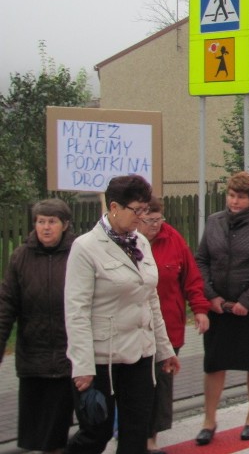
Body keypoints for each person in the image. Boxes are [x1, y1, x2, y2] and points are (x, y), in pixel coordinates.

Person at [65, 174, 179, 454]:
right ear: (114, 207)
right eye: (136, 211)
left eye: (144, 210)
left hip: (140, 353)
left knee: (136, 432)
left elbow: (151, 299)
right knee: (96, 433)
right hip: (103, 357)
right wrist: (82, 366)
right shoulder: (86, 248)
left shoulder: (139, 243)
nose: (141, 218)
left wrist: (165, 350)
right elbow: (76, 310)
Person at [194, 171, 249, 444]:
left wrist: (247, 301)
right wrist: (211, 296)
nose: (234, 201)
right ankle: (209, 420)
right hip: (218, 307)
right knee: (214, 363)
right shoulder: (214, 222)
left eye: (241, 197)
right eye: (231, 195)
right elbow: (201, 260)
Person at [0, 198, 76, 454]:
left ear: (64, 225)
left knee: (57, 433)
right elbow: (7, 304)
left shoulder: (77, 254)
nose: (45, 227)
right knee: (36, 434)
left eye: (51, 222)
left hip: (68, 357)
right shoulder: (21, 256)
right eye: (40, 221)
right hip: (33, 357)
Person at [136, 196, 210, 454]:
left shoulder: (174, 240)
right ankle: (131, 432)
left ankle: (150, 439)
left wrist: (200, 310)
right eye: (149, 220)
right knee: (138, 384)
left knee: (161, 385)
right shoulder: (127, 242)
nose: (155, 225)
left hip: (169, 327)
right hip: (134, 330)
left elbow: (191, 278)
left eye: (159, 220)